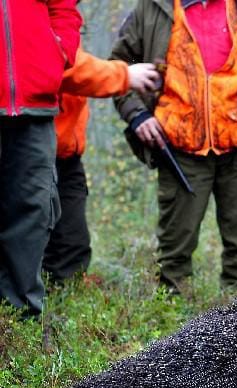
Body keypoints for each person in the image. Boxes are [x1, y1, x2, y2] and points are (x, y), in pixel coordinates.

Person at [111, 0, 237, 292]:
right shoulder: (154, 9)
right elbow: (120, 66)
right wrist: (137, 115)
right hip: (180, 148)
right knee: (174, 251)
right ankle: (172, 321)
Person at [45, 48, 159, 282]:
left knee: (71, 245)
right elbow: (63, 66)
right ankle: (21, 313)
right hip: (30, 152)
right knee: (26, 241)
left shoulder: (65, 16)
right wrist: (124, 75)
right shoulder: (34, 15)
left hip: (66, 155)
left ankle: (62, 307)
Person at [0, 0, 81, 317]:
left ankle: (20, 321)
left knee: (33, 213)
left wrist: (57, 51)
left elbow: (64, 9)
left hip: (35, 108)